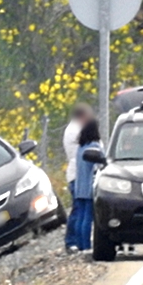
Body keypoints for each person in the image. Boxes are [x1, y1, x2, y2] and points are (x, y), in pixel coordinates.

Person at [63, 103, 95, 250]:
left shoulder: (72, 129)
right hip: (79, 174)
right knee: (79, 210)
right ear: (82, 116)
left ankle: (74, 241)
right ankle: (73, 241)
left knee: (78, 210)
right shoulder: (77, 130)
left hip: (75, 172)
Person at [71, 120, 102, 252]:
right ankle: (87, 246)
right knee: (88, 218)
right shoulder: (95, 146)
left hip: (79, 186)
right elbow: (102, 162)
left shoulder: (80, 147)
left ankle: (80, 244)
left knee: (80, 216)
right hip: (90, 186)